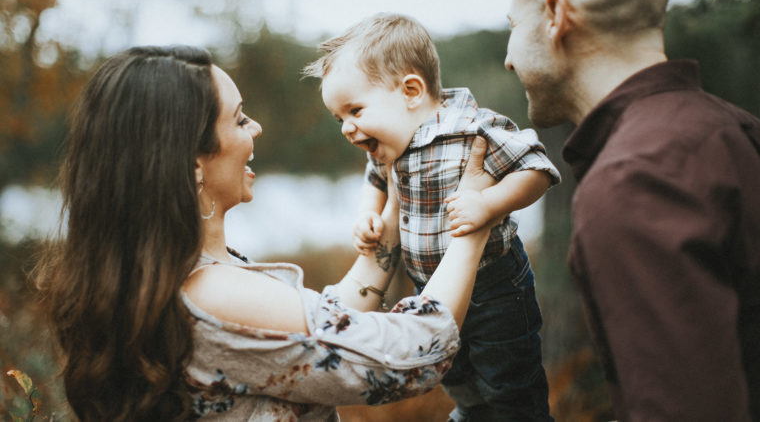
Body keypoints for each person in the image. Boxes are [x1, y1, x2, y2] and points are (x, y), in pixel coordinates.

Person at [34, 45, 504, 421]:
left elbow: (325, 329)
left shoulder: (164, 277)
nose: (256, 128)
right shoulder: (212, 293)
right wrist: (474, 219)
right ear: (192, 163)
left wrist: (396, 194)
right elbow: (414, 351)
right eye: (239, 118)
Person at [505, 0, 760, 421]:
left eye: (513, 26)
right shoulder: (736, 130)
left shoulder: (634, 180)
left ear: (555, 15)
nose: (510, 60)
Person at [304, 13, 561, 422]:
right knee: (457, 375)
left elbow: (538, 170)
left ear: (411, 91)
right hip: (434, 287)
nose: (346, 129)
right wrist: (368, 215)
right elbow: (376, 180)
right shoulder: (388, 145)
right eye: (340, 119)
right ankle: (470, 412)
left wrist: (489, 204)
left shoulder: (472, 130)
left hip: (496, 288)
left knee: (509, 385)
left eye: (355, 110)